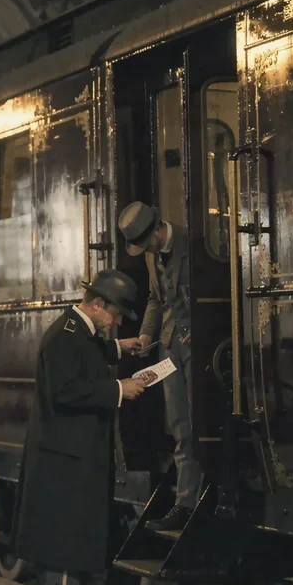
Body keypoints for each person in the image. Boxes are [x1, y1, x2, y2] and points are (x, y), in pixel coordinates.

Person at [12, 270, 147, 585]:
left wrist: (120, 349)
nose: (117, 322)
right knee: (65, 558)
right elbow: (67, 390)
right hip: (65, 466)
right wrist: (120, 390)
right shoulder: (66, 335)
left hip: (71, 462)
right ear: (97, 305)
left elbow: (88, 357)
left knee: (69, 557)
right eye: (117, 315)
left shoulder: (77, 333)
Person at [115, 202, 201, 534]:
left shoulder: (192, 243)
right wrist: (147, 334)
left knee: (196, 423)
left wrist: (201, 326)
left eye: (144, 242)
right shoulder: (152, 255)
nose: (143, 250)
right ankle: (184, 501)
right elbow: (156, 298)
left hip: (195, 344)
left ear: (157, 231)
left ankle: (191, 500)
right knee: (179, 425)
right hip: (168, 348)